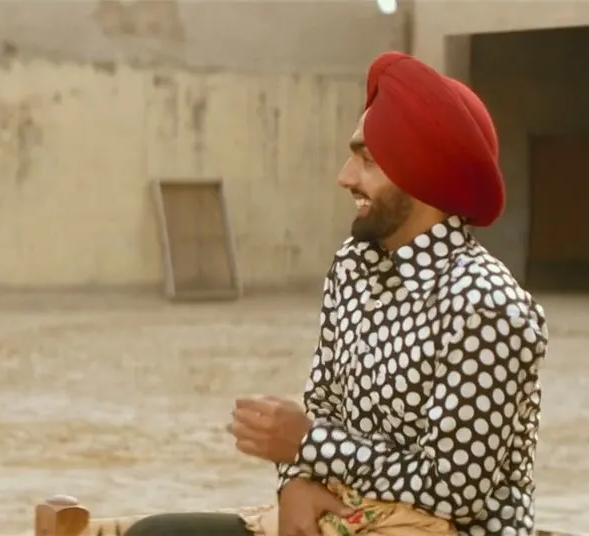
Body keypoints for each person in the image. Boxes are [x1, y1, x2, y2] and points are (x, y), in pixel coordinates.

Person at [126, 51, 547, 536]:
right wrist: (296, 481)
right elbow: (323, 403)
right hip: (344, 518)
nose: (345, 177)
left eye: (367, 161)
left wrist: (308, 446)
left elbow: (457, 490)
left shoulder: (487, 307)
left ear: (424, 174)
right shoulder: (354, 265)